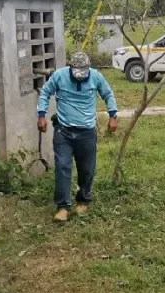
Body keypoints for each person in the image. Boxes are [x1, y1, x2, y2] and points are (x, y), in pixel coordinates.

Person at [37, 52, 119, 222]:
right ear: (71, 68)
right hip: (64, 131)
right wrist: (41, 115)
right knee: (62, 167)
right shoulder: (59, 76)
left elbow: (108, 94)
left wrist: (113, 116)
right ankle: (62, 207)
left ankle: (83, 199)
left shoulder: (96, 76)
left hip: (87, 131)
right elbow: (45, 92)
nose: (80, 77)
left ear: (88, 69)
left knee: (87, 169)